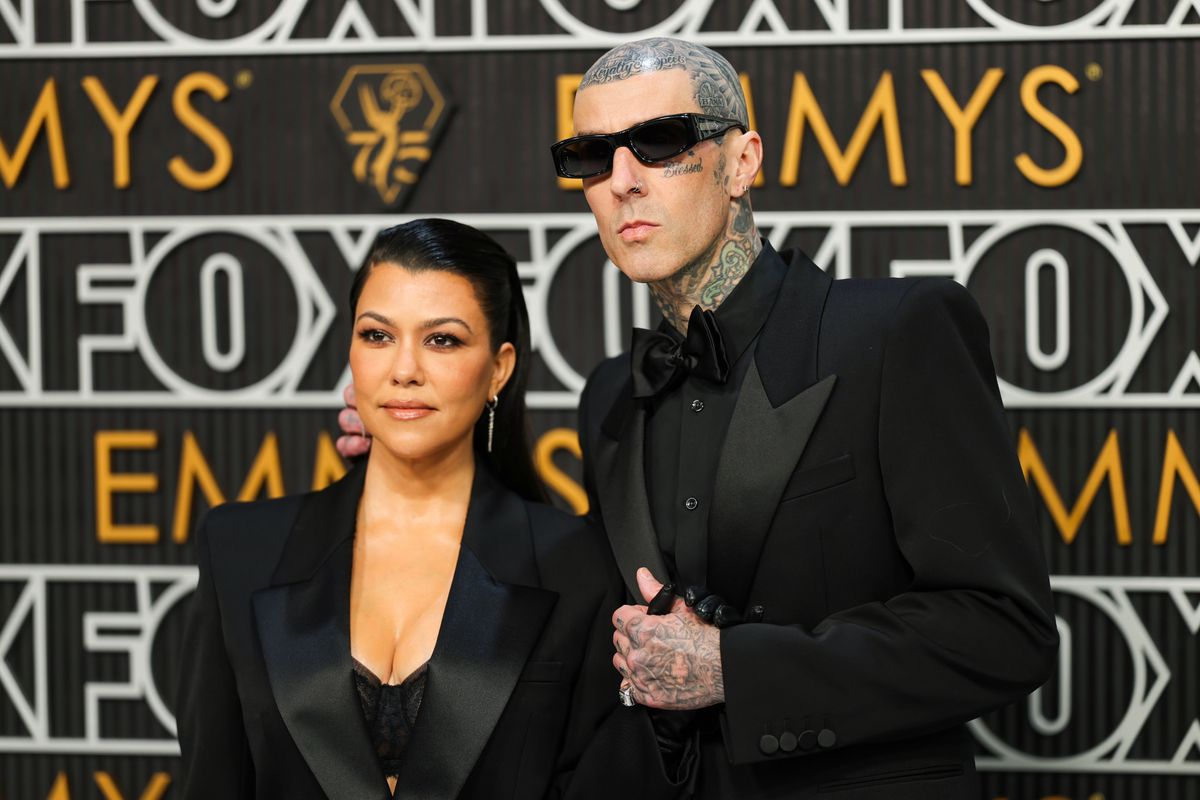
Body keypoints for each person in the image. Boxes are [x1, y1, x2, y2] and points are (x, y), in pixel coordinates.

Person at [340, 39, 1059, 799]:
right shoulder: (611, 397)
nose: (621, 181)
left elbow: (1002, 630)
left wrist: (734, 670)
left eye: (660, 143)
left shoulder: (893, 332)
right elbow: (564, 610)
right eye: (592, 155)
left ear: (742, 162)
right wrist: (406, 452)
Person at [176, 219, 646, 799]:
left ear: (499, 368)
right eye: (376, 335)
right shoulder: (239, 552)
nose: (403, 370)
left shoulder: (576, 566)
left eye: (441, 340)